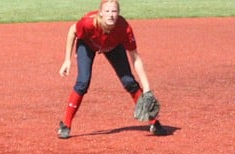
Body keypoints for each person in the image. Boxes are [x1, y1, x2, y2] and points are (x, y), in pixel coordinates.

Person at [57, 1, 164, 139]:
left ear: (118, 13)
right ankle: (66, 125)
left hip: (113, 46)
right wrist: (67, 59)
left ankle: (154, 123)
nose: (111, 15)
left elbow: (136, 59)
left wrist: (147, 89)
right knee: (83, 82)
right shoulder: (89, 23)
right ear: (100, 13)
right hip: (87, 44)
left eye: (114, 11)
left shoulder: (124, 28)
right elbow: (72, 31)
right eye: (107, 11)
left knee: (129, 82)